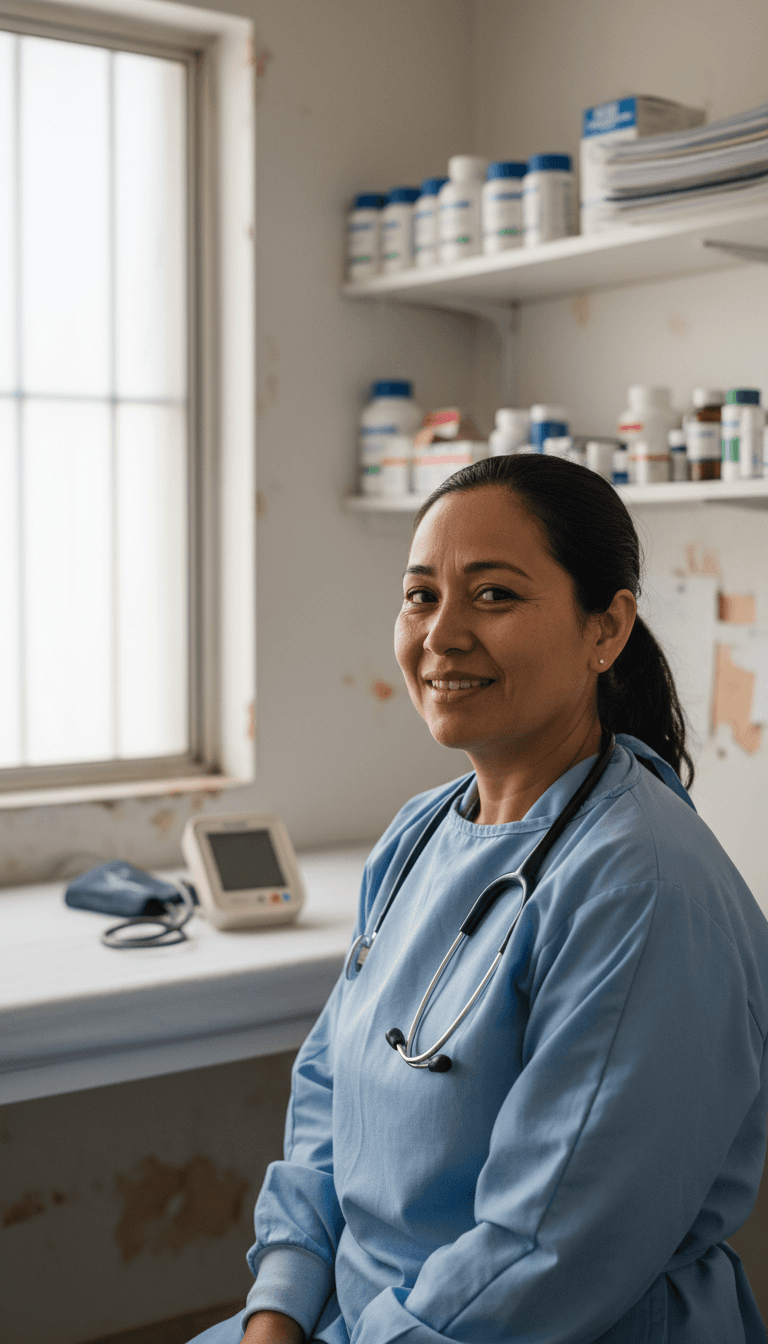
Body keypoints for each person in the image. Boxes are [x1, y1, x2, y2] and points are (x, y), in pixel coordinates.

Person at [191, 454, 768, 1344]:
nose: (443, 634)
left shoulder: (642, 886)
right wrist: (279, 1306)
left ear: (606, 629)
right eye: (422, 595)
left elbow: (552, 1251)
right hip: (358, 1318)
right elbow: (328, 1096)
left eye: (493, 595)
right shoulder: (419, 833)